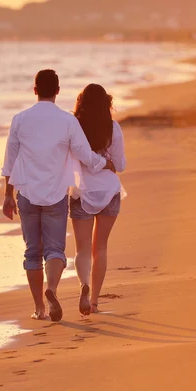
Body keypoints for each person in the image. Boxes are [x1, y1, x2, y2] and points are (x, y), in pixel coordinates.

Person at [1, 69, 115, 322]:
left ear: (35, 90)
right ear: (58, 91)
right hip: (55, 194)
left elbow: (10, 160)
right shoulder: (67, 121)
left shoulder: (20, 119)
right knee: (55, 251)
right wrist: (103, 164)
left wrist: (8, 195)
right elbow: (84, 155)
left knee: (32, 251)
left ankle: (39, 308)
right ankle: (51, 289)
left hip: (27, 193)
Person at [71, 84, 126, 315]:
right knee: (100, 249)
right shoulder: (113, 128)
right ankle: (94, 302)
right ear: (107, 103)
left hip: (82, 192)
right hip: (109, 192)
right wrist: (108, 163)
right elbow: (120, 165)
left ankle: (83, 284)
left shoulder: (74, 126)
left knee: (82, 250)